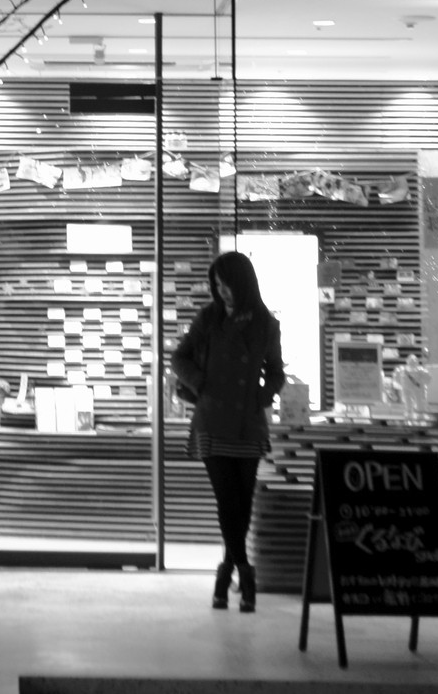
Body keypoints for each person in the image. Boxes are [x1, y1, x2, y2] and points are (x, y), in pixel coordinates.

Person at [171, 251, 285, 615]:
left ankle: (226, 570)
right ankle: (244, 573)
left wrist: (262, 396)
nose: (221, 291)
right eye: (217, 285)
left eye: (226, 284)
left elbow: (276, 371)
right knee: (226, 500)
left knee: (243, 503)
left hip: (248, 423)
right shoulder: (209, 318)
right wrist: (202, 384)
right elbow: (179, 358)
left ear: (243, 283)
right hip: (213, 420)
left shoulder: (266, 324)